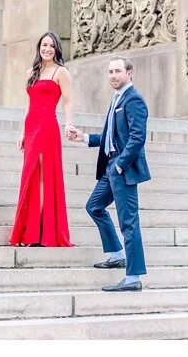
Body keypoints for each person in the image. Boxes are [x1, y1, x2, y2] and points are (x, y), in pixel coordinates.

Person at [67, 56, 150, 292]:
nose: (113, 76)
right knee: (94, 206)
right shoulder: (117, 99)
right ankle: (117, 254)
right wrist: (83, 138)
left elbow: (137, 138)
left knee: (129, 224)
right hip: (111, 168)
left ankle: (133, 278)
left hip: (122, 170)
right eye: (110, 72)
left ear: (129, 73)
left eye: (118, 71)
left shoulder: (134, 100)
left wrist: (120, 165)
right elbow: (109, 137)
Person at [9, 31, 74, 248]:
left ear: (56, 49)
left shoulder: (61, 72)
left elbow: (67, 102)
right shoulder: (31, 72)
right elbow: (28, 104)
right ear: (39, 47)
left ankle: (41, 233)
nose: (47, 49)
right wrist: (21, 133)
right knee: (30, 176)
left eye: (51, 46)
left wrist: (69, 123)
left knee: (45, 177)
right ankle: (29, 230)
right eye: (44, 45)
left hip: (48, 126)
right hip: (31, 127)